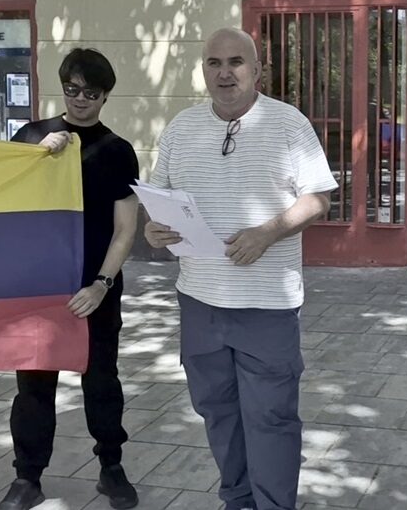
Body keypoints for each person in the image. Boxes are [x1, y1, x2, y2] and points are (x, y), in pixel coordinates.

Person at [143, 27, 337, 510]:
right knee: (217, 412)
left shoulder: (288, 124)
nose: (225, 73)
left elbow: (319, 199)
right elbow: (159, 199)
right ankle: (238, 500)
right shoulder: (181, 128)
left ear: (257, 71)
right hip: (199, 301)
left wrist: (268, 232)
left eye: (236, 62)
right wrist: (154, 230)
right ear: (203, 70)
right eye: (214, 63)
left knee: (270, 418)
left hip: (266, 305)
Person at [0, 48, 141, 510]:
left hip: (95, 289)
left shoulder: (118, 151)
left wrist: (102, 284)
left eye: (91, 93)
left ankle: (112, 468)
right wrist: (37, 157)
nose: (80, 99)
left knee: (101, 382)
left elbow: (125, 229)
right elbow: (0, 201)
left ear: (106, 95)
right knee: (34, 388)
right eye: (72, 89)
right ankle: (27, 477)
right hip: (39, 287)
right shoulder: (31, 137)